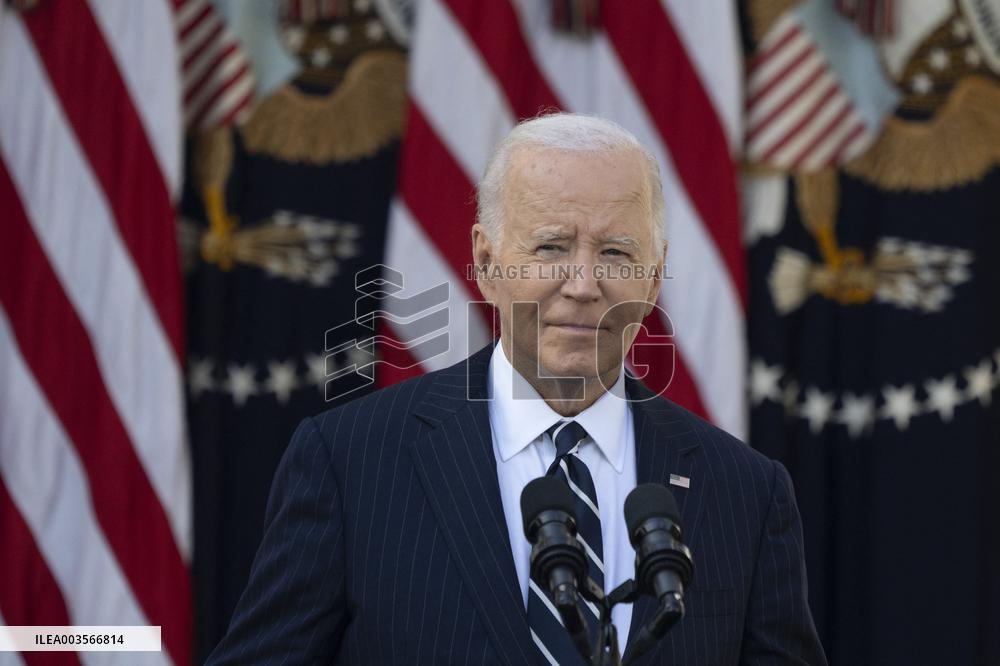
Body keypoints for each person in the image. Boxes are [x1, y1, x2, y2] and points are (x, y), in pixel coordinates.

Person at [207, 114, 827, 665]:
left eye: (615, 253)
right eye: (551, 247)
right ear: (486, 262)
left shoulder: (746, 492)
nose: (582, 284)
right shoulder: (349, 463)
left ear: (655, 275)